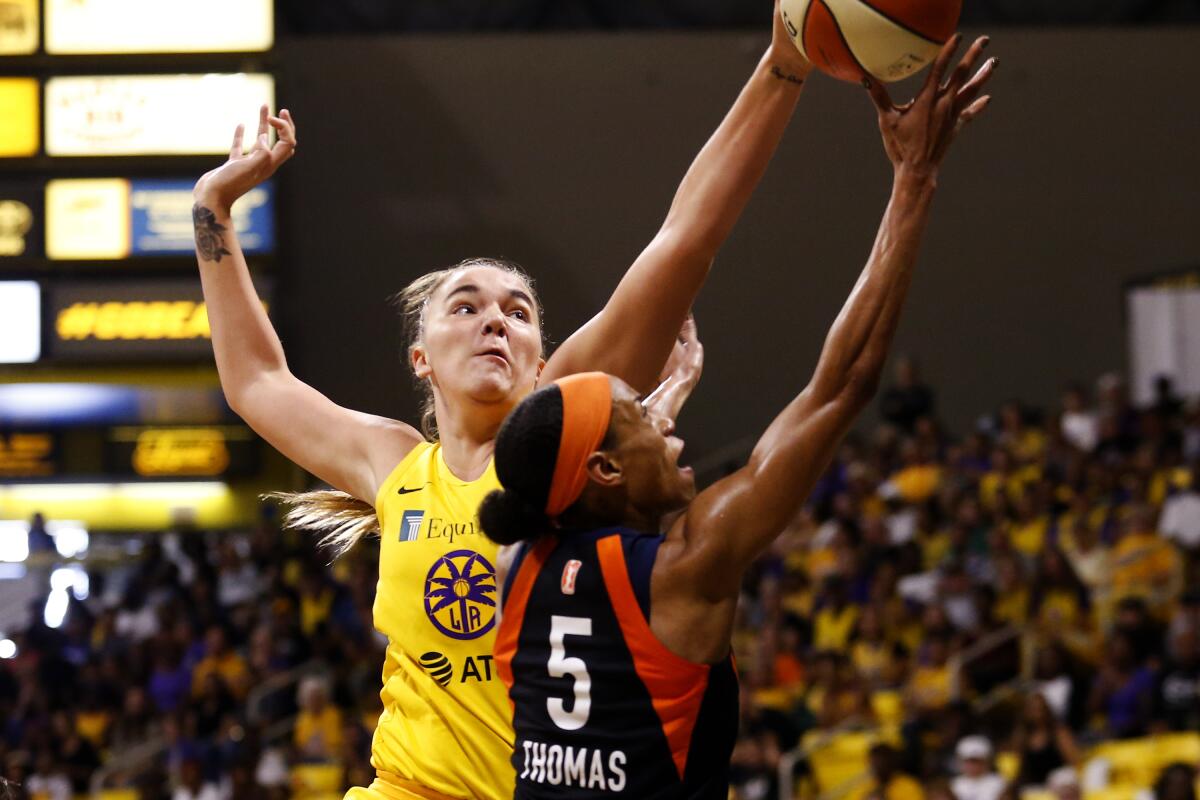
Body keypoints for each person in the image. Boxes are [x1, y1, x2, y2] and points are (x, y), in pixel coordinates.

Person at [192, 5, 816, 798]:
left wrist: (784, 66)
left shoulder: (561, 436)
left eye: (519, 312)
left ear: (542, 360)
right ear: (421, 358)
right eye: (466, 305)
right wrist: (212, 208)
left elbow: (686, 238)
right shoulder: (391, 464)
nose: (496, 318)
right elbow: (256, 382)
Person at [482, 36, 995, 797]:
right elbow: (842, 386)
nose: (669, 423)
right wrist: (913, 180)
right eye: (644, 416)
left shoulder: (515, 569)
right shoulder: (686, 566)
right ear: (605, 470)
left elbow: (574, 476)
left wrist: (646, 412)